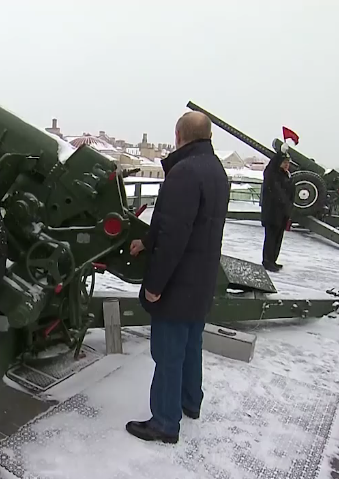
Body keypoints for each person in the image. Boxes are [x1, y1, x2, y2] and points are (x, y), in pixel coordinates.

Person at [125, 111, 229, 444]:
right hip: (201, 278)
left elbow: (174, 235)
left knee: (168, 353)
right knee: (190, 344)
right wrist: (147, 241)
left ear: (179, 135)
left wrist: (155, 285)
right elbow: (192, 224)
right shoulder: (216, 170)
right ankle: (189, 402)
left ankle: (165, 423)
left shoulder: (184, 172)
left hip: (179, 280)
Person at [260, 152, 295, 272]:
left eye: (288, 163)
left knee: (278, 238)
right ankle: (267, 261)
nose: (287, 165)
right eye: (284, 162)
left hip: (282, 213)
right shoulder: (272, 174)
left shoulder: (286, 176)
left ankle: (273, 260)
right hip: (272, 212)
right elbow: (277, 192)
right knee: (271, 237)